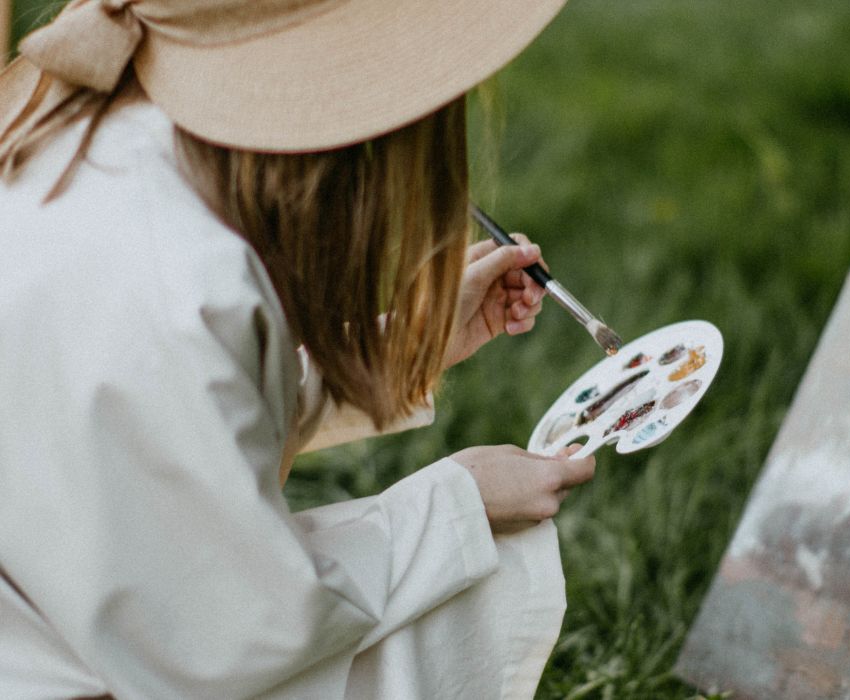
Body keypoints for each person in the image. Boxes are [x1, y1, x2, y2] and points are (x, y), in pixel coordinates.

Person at [0, 0, 595, 697]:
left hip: (55, 617)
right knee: (469, 582)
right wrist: (461, 506)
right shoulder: (178, 273)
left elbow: (165, 432)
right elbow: (224, 633)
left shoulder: (89, 144)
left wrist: (397, 348)